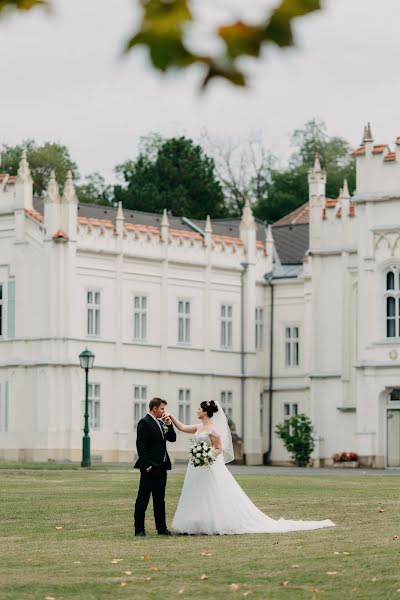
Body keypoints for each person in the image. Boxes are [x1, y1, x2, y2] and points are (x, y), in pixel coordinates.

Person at [165, 400, 335, 535]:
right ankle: (196, 523)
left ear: (205, 412)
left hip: (208, 464)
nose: (196, 411)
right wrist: (171, 416)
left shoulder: (213, 429)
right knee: (197, 492)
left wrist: (207, 455)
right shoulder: (199, 427)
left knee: (213, 493)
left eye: (199, 409)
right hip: (197, 467)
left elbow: (219, 448)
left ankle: (215, 522)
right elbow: (181, 427)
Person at [134, 397, 176, 536]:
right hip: (150, 467)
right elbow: (141, 446)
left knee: (160, 499)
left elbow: (172, 438)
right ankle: (139, 529)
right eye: (162, 408)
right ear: (154, 408)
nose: (164, 411)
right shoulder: (144, 422)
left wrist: (169, 424)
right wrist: (147, 466)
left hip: (162, 467)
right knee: (143, 498)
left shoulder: (160, 422)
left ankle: (161, 528)